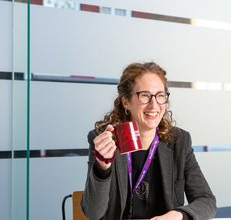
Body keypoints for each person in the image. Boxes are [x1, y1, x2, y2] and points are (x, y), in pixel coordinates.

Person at [81, 62, 216, 220]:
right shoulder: (106, 140)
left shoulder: (179, 142)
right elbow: (93, 213)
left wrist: (177, 215)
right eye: (145, 95)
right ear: (126, 102)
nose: (154, 105)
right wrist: (102, 167)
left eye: (160, 96)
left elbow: (207, 201)